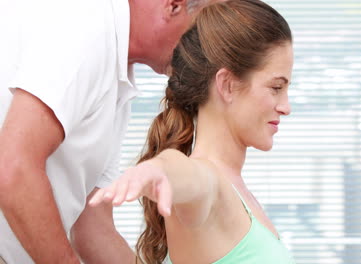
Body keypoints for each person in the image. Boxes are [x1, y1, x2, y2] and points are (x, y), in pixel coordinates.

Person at [0, 0, 217, 263]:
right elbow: (13, 167)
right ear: (174, 5)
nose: (203, 52)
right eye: (202, 32)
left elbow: (92, 226)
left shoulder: (116, 78)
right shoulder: (85, 28)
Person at [90, 0, 296, 263]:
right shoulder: (212, 184)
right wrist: (160, 169)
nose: (286, 107)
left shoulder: (238, 193)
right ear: (227, 85)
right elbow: (189, 175)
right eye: (276, 88)